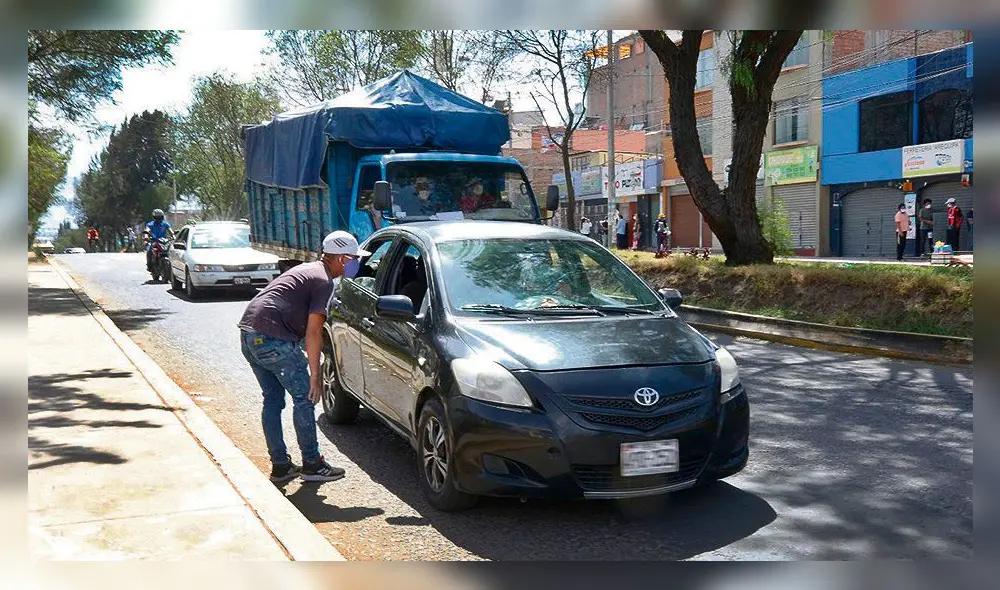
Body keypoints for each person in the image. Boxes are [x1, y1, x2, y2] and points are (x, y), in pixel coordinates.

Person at [237, 230, 369, 483]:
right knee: (306, 398)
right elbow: (314, 332)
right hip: (272, 338)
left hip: (249, 334)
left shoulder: (309, 269)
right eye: (354, 259)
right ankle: (312, 464)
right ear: (342, 258)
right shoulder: (324, 282)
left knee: (272, 400)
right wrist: (315, 376)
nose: (356, 264)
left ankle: (281, 465)